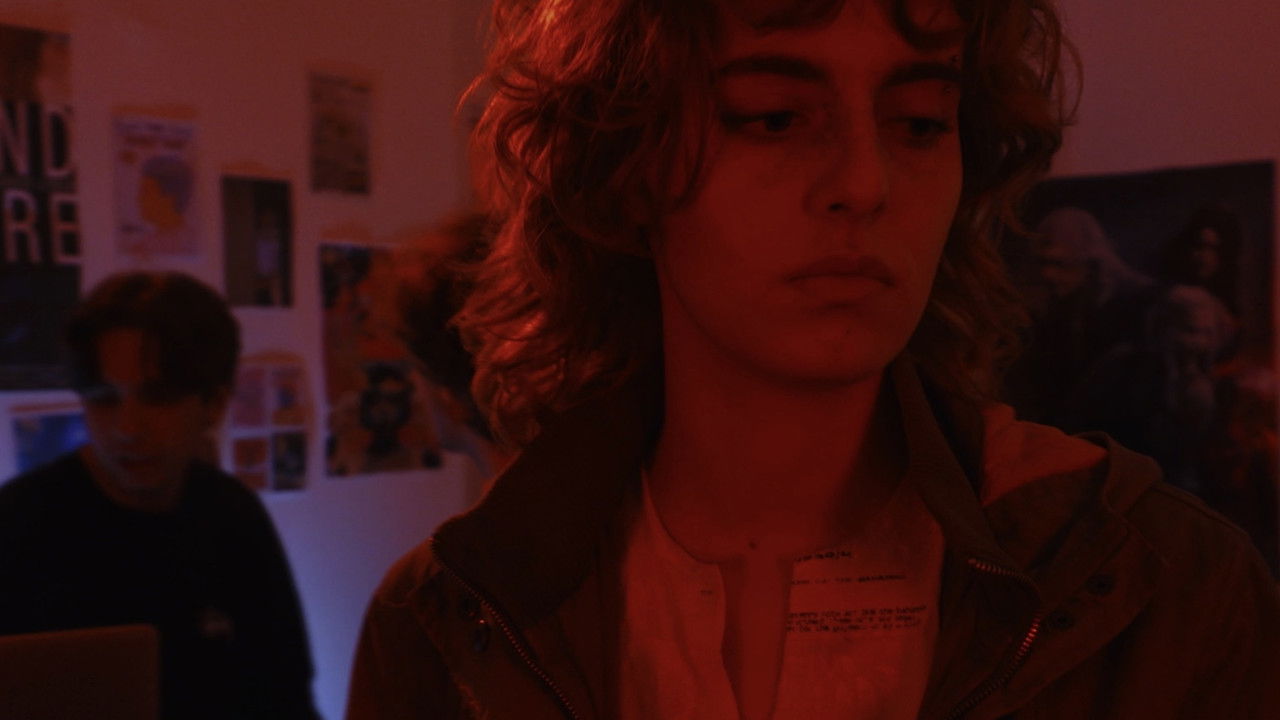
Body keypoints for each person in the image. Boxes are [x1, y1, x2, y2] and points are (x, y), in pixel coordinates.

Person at [347, 1, 1280, 718]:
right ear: (625, 167)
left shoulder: (1164, 590)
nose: (864, 183)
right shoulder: (449, 623)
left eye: (919, 122)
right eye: (775, 117)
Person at [0, 271, 320, 720]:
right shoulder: (20, 523)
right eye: (105, 399)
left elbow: (287, 696)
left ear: (213, 404)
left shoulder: (232, 516)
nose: (128, 429)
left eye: (157, 398)